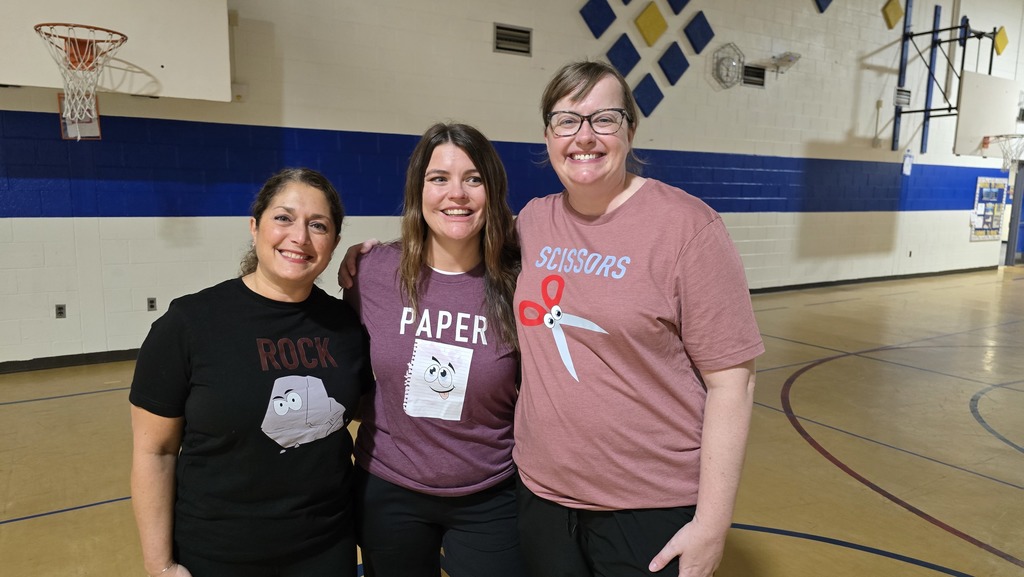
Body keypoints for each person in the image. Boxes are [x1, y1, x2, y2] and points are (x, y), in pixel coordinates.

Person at [512, 61, 764, 577]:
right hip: (542, 499)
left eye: (604, 118)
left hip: (649, 510)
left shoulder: (688, 229)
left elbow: (731, 385)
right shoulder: (534, 220)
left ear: (629, 128)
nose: (584, 136)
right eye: (567, 120)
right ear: (547, 136)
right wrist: (378, 253)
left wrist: (712, 525)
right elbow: (452, 245)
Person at [130, 168, 373, 577]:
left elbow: (367, 408)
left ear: (333, 244)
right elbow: (155, 452)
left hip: (325, 547)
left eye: (319, 225)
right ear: (254, 226)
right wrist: (160, 565)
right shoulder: (189, 324)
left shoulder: (346, 325)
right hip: (218, 552)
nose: (300, 237)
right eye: (284, 218)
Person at [343, 122, 526, 577]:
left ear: (493, 190)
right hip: (388, 488)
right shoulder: (371, 272)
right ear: (417, 191)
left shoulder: (522, 282)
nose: (456, 193)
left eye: (473, 179)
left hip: (492, 491)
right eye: (439, 178)